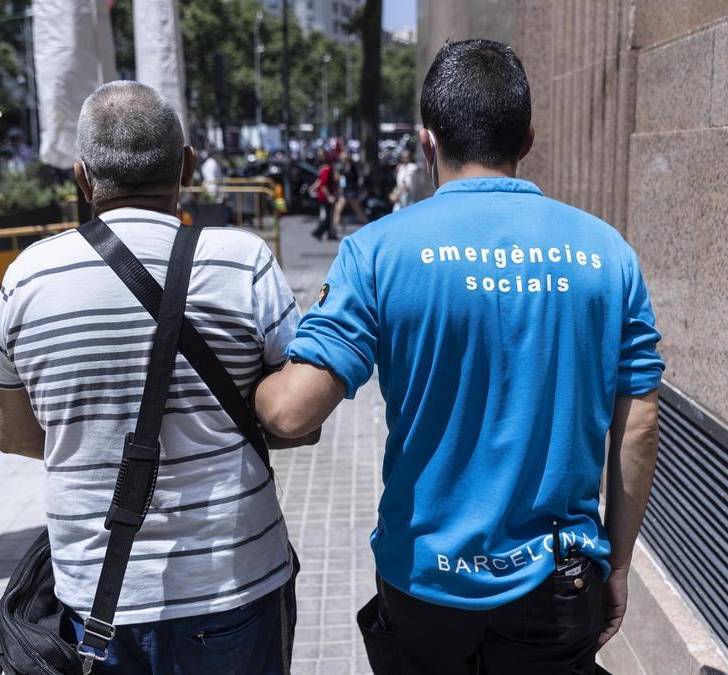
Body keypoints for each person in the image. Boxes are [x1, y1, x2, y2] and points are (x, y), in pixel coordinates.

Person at [254, 39, 664, 674]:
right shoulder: (607, 254)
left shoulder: (379, 252)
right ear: (526, 140)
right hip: (560, 580)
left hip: (427, 584)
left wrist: (250, 380)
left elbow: (290, 415)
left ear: (426, 141)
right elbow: (639, 420)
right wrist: (620, 561)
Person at [0, 81, 311, 674]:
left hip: (96, 601)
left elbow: (18, 436)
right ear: (187, 165)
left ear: (83, 177)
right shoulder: (244, 262)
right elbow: (295, 425)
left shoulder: (26, 277)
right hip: (235, 582)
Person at [333, 154, 370, 231]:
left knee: (358, 211)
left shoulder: (352, 168)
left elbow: (352, 179)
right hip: (345, 192)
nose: (342, 160)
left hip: (351, 192)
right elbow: (340, 179)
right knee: (338, 209)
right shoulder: (343, 168)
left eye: (343, 159)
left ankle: (368, 226)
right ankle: (334, 228)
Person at [308, 149, 338, 240]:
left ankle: (330, 234)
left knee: (329, 215)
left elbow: (319, 181)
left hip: (324, 195)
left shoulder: (326, 168)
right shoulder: (326, 169)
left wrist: (312, 188)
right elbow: (323, 184)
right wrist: (329, 196)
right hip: (325, 195)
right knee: (328, 216)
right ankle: (318, 232)